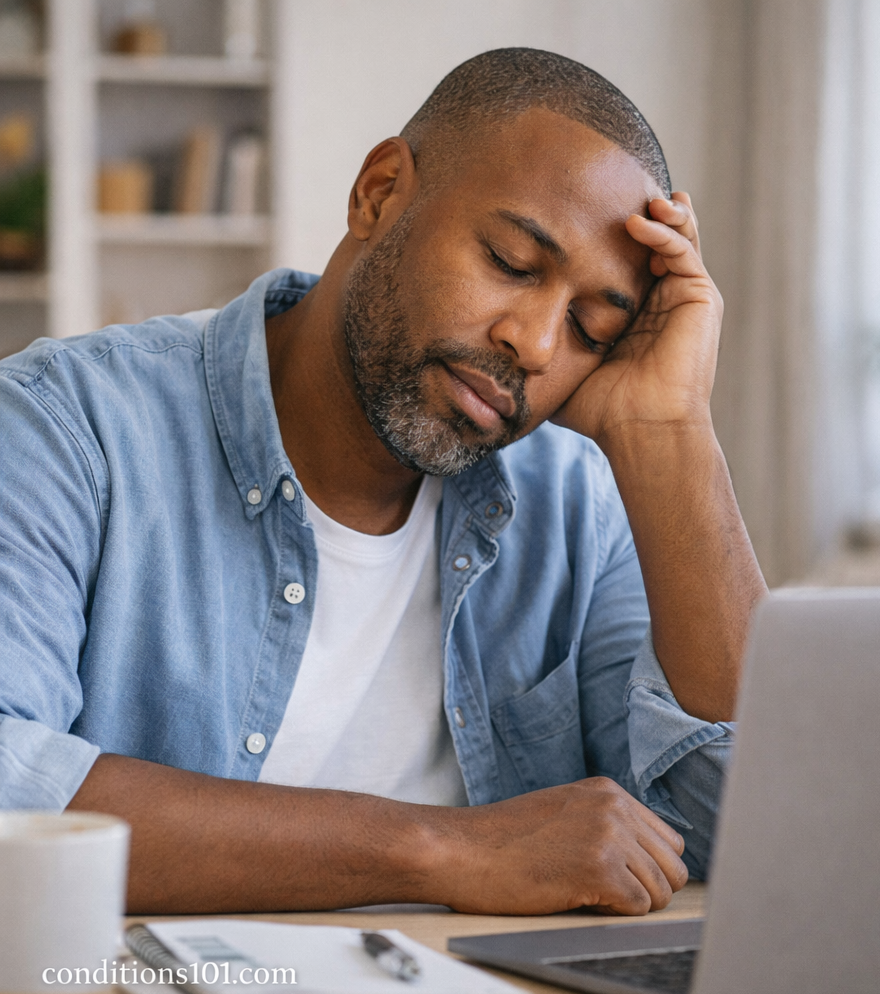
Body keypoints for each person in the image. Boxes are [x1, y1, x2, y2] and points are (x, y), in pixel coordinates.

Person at [0, 48, 766, 915]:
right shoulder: (64, 429)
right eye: (513, 262)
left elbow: (745, 829)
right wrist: (438, 849)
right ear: (378, 194)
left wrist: (674, 436)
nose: (539, 345)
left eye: (592, 328)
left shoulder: (576, 502)